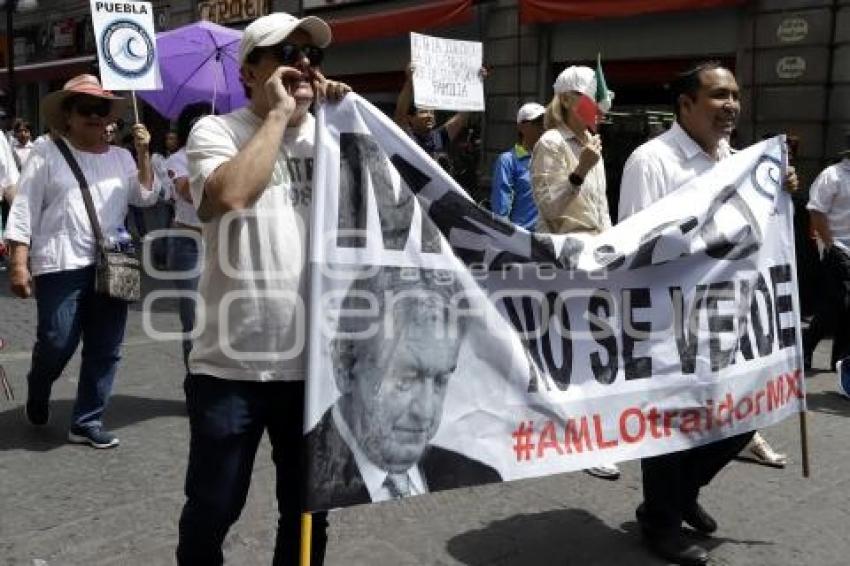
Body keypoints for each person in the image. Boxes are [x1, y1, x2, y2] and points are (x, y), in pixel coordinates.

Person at [176, 12, 350, 566]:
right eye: (286, 54)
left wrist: (350, 118)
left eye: (312, 56)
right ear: (249, 72)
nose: (303, 64)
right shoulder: (216, 131)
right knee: (213, 507)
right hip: (232, 369)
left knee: (307, 512)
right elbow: (229, 195)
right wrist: (279, 114)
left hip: (315, 368)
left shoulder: (337, 135)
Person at [618, 61, 798, 566]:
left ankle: (682, 493)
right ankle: (660, 520)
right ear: (686, 104)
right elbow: (634, 244)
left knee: (746, 414)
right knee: (671, 426)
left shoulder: (740, 161)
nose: (731, 106)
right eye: (719, 95)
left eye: (736, 95)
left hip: (733, 318)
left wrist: (779, 193)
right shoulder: (651, 161)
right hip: (669, 319)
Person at [5, 74, 158, 449]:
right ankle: (38, 387)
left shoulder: (122, 157)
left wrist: (143, 154)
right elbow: (24, 208)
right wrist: (19, 263)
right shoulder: (46, 153)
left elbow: (146, 197)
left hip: (115, 259)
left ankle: (87, 420)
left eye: (101, 109)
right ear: (68, 116)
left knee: (106, 346)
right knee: (57, 340)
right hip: (60, 261)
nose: (94, 116)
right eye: (85, 109)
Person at [306, 266, 502, 510]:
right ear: (345, 366)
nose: (426, 412)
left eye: (440, 380)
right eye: (406, 379)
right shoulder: (296, 477)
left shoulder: (477, 479)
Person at [530, 65, 618, 481]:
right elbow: (549, 208)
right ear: (568, 99)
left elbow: (602, 210)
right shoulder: (551, 142)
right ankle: (580, 439)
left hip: (599, 256)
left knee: (598, 345)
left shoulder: (592, 142)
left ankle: (590, 431)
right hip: (567, 258)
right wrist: (580, 170)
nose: (598, 106)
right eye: (590, 98)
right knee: (576, 350)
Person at [165, 103, 211, 372]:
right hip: (188, 244)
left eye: (210, 122)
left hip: (221, 244)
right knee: (194, 318)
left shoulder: (227, 154)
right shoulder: (177, 159)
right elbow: (187, 193)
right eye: (197, 123)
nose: (204, 128)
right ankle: (195, 383)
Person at [804, 132, 850, 397]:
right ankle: (807, 347)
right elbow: (816, 210)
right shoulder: (832, 175)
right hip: (837, 248)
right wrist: (831, 246)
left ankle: (840, 361)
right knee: (835, 306)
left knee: (849, 308)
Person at [393, 62, 484, 173]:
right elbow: (400, 113)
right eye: (424, 112)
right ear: (410, 118)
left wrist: (476, 84)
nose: (430, 116)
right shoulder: (405, 136)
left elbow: (461, 118)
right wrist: (409, 81)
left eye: (432, 112)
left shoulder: (436, 139)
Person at [489, 102, 545, 230]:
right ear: (521, 127)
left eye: (545, 122)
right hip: (521, 240)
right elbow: (500, 210)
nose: (543, 127)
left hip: (549, 239)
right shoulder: (507, 161)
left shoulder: (551, 159)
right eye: (537, 123)